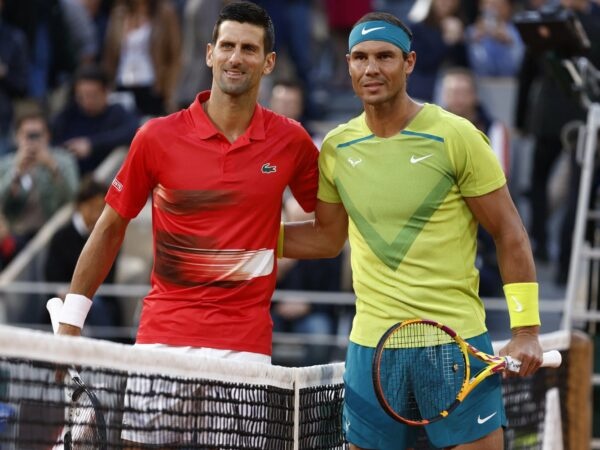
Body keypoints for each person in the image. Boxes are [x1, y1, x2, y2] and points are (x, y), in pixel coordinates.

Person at [53, 1, 319, 446]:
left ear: (268, 62)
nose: (237, 57)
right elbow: (110, 226)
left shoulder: (291, 141)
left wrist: (253, 237)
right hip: (164, 337)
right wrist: (71, 321)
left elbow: (329, 236)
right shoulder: (156, 136)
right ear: (209, 53)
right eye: (228, 46)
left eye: (249, 49)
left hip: (245, 347)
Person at [282, 11, 543, 450]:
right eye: (360, 57)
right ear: (347, 64)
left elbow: (510, 232)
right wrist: (250, 232)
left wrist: (526, 331)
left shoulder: (457, 136)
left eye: (385, 56)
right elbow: (328, 239)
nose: (371, 69)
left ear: (410, 62)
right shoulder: (335, 148)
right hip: (371, 348)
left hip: (454, 343)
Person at [44, 176, 121, 331]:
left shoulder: (110, 236)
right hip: (65, 298)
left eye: (102, 208)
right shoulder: (61, 236)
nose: (98, 213)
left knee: (100, 306)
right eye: (94, 207)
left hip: (98, 299)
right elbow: (51, 274)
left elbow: (109, 276)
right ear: (81, 205)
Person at [0, 111, 79, 245]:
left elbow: (74, 196)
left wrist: (52, 166)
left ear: (47, 135)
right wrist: (16, 171)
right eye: (28, 135)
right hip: (17, 235)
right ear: (17, 137)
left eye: (37, 135)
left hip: (54, 232)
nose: (33, 140)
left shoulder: (64, 160)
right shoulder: (6, 164)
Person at [51, 64, 139, 175]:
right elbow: (52, 138)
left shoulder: (116, 113)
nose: (87, 101)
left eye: (92, 95)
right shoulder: (69, 114)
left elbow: (134, 131)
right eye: (81, 95)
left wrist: (92, 145)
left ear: (106, 92)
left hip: (105, 178)